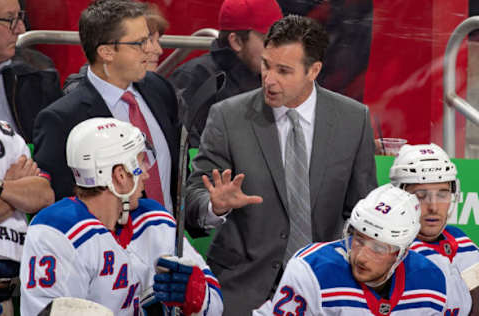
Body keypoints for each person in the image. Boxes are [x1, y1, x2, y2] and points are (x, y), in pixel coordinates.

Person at [185, 15, 377, 315]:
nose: (269, 79)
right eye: (266, 65)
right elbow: (193, 201)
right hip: (242, 290)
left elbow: (361, 210)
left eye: (283, 71)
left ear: (313, 70)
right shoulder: (228, 116)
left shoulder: (354, 120)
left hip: (324, 291)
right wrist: (215, 205)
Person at [20, 118, 223, 316]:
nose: (146, 174)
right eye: (141, 163)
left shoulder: (155, 220)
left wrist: (197, 295)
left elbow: (216, 306)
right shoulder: (56, 233)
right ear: (120, 176)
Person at [33, 0, 180, 211]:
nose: (154, 49)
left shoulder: (160, 90)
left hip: (168, 236)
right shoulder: (62, 119)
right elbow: (61, 204)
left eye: (150, 39)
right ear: (106, 52)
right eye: (141, 43)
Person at [254, 184, 447, 315]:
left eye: (378, 248)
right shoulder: (311, 269)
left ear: (401, 253)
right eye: (359, 240)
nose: (361, 257)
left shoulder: (433, 279)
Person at [169, 0, 283, 147]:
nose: (278, 49)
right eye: (267, 39)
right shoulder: (195, 79)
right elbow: (185, 150)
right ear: (236, 41)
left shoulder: (272, 76)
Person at [390, 143, 479, 315]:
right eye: (420, 195)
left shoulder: (459, 239)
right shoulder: (386, 251)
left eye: (442, 194)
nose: (433, 207)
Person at [0, 120, 54, 316]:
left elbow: (44, 195)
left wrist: (2, 186)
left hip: (15, 285)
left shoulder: (7, 134)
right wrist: (15, 187)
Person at [62, 2, 168, 93]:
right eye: (143, 41)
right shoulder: (77, 96)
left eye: (157, 41)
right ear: (107, 52)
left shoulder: (160, 89)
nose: (159, 50)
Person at [0, 0, 63, 143]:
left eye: (20, 17)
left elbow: (54, 143)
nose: (21, 29)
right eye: (11, 20)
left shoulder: (39, 70)